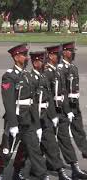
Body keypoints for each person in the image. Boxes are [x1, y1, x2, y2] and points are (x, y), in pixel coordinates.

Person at [0, 44, 49, 180]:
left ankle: (39, 175)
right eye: (24, 55)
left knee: (32, 149)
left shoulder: (28, 76)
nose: (27, 58)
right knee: (7, 151)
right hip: (16, 119)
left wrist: (37, 125)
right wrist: (12, 124)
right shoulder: (9, 76)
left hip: (28, 120)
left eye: (26, 55)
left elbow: (32, 101)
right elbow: (8, 102)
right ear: (16, 57)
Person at [44, 44, 87, 179]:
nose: (59, 56)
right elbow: (50, 95)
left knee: (65, 138)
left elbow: (63, 92)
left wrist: (68, 110)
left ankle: (74, 167)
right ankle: (24, 168)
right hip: (51, 111)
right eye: (57, 54)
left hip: (66, 107)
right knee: (43, 141)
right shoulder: (51, 71)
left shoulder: (64, 69)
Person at [29, 51, 71, 180]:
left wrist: (53, 116)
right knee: (27, 147)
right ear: (32, 62)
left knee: (51, 144)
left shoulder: (44, 77)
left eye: (41, 60)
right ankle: (6, 169)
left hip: (45, 115)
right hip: (32, 116)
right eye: (36, 61)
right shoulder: (28, 77)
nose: (39, 63)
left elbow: (49, 99)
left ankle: (59, 171)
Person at [61, 42, 87, 158]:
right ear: (64, 52)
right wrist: (67, 109)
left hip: (74, 105)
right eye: (71, 51)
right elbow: (62, 91)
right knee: (58, 134)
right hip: (62, 107)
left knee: (79, 131)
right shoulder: (60, 69)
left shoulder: (73, 67)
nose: (73, 53)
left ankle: (85, 152)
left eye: (73, 51)